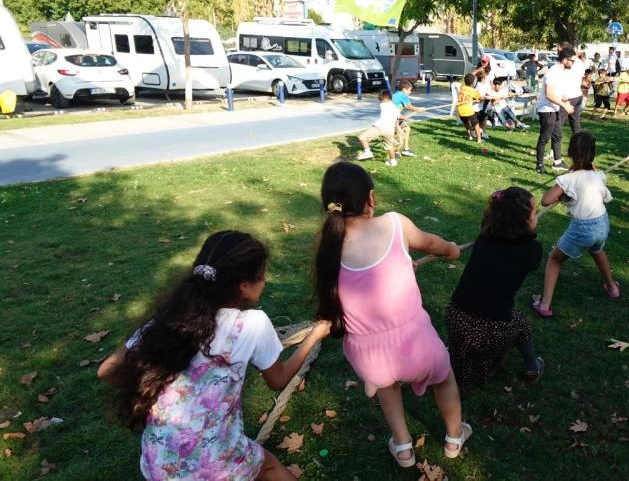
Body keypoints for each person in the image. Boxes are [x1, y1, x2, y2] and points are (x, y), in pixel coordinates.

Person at [97, 231, 332, 481]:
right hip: (216, 464)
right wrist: (314, 336)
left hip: (159, 461)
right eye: (262, 276)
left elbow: (106, 371)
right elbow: (278, 380)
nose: (264, 281)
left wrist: (147, 392)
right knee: (269, 467)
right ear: (244, 285)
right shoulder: (252, 324)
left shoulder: (166, 319)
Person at [313, 162, 471, 468]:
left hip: (370, 359)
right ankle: (454, 437)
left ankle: (403, 449)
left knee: (388, 389)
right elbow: (434, 245)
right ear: (371, 198)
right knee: (445, 379)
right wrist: (452, 249)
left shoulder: (329, 246)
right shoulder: (396, 224)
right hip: (418, 345)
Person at [446, 187, 545, 391]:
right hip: (490, 329)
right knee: (519, 323)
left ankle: (474, 364)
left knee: (466, 357)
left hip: (455, 316)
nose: (536, 216)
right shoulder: (533, 250)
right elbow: (530, 262)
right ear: (524, 220)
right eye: (534, 213)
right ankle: (533, 367)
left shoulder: (484, 238)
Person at [533, 132, 619, 317]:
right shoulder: (597, 175)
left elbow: (546, 200)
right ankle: (612, 287)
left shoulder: (568, 179)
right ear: (593, 154)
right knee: (597, 249)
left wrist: (562, 192)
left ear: (570, 152)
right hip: (602, 224)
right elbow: (599, 189)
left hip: (583, 228)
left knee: (555, 259)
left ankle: (544, 304)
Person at [534, 48, 576, 174]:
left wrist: (566, 101)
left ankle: (558, 162)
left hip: (555, 109)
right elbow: (549, 94)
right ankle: (539, 165)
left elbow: (560, 92)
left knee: (557, 136)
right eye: (571, 61)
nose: (573, 63)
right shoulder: (553, 72)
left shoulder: (562, 72)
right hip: (547, 110)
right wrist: (564, 105)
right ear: (564, 60)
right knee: (544, 138)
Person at [358, 90, 403, 167]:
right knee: (390, 146)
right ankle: (393, 161)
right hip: (390, 130)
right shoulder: (396, 108)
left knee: (362, 137)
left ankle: (368, 152)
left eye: (380, 99)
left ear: (384, 99)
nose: (379, 100)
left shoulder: (383, 104)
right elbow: (400, 117)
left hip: (380, 127)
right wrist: (418, 110)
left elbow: (384, 102)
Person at [392, 81, 426, 158]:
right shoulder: (402, 95)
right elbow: (410, 107)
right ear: (404, 89)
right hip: (394, 119)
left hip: (397, 117)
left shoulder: (397, 94)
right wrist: (419, 109)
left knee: (407, 129)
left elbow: (406, 106)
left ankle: (406, 149)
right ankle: (395, 152)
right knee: (399, 134)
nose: (410, 92)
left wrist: (415, 109)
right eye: (409, 90)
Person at [455, 73, 484, 143]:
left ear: (465, 81)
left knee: (466, 123)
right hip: (468, 110)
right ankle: (479, 139)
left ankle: (469, 136)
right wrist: (482, 98)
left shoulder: (461, 88)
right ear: (473, 82)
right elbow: (480, 98)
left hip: (460, 110)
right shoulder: (473, 90)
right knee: (476, 124)